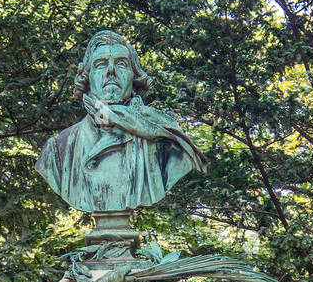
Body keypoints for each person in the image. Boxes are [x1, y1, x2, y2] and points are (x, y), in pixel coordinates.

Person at [36, 30, 205, 214]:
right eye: (100, 65)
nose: (110, 71)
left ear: (134, 77)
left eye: (121, 64)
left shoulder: (165, 140)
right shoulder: (57, 151)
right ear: (88, 77)